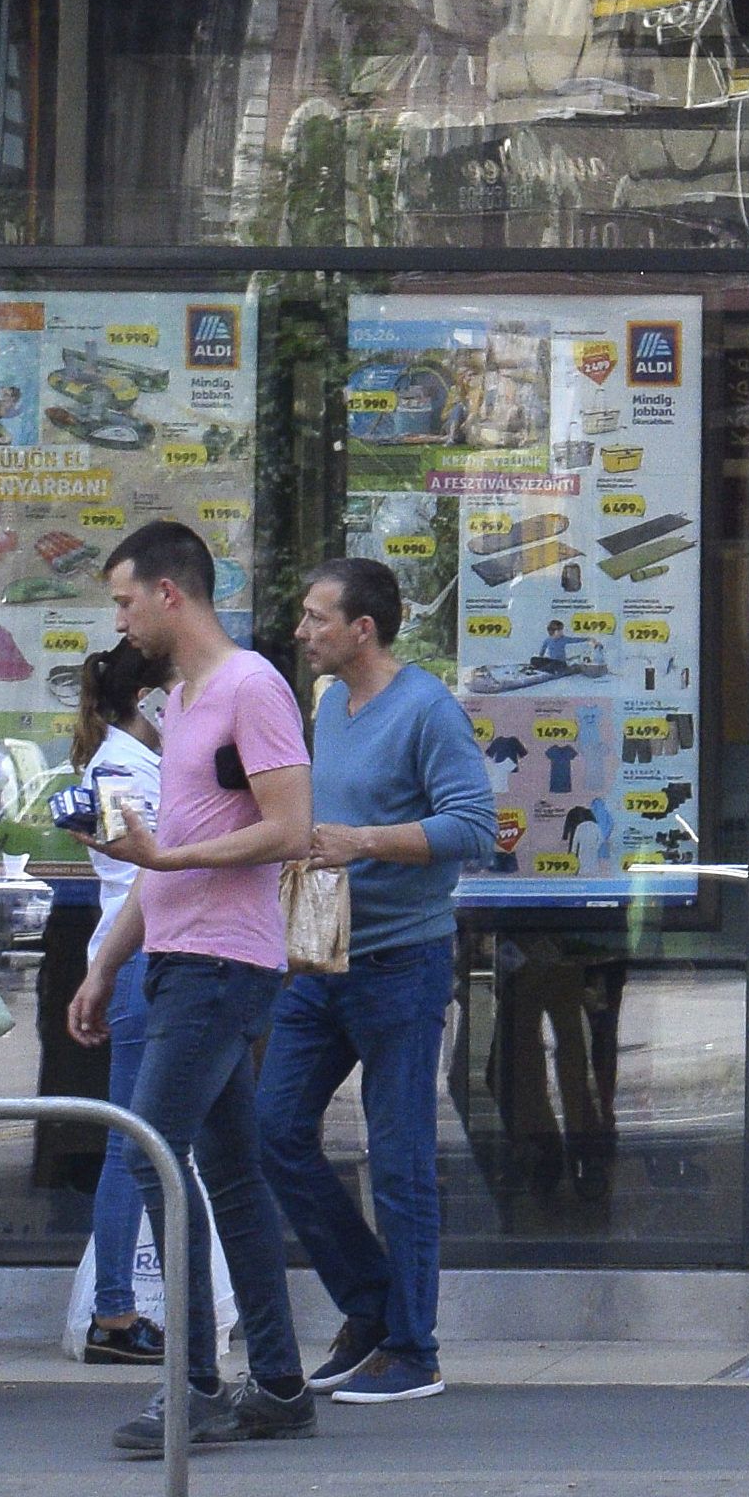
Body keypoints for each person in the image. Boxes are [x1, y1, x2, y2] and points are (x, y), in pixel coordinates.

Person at [69, 519, 316, 1453]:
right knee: (232, 1174)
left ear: (170, 592)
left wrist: (167, 854)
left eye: (126, 599)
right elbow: (161, 861)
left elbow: (291, 827)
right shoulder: (185, 699)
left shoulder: (251, 687)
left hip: (222, 962)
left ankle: (197, 1383)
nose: (120, 620)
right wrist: (105, 962)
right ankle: (281, 1385)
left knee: (149, 1153)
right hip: (183, 958)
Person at [262, 557, 495, 1404]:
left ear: (364, 629)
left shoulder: (427, 709)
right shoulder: (329, 705)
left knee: (396, 1160)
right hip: (323, 955)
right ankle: (369, 1306)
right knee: (274, 1129)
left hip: (403, 960)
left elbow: (473, 826)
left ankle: (413, 1349)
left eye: (318, 618)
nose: (302, 631)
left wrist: (364, 841)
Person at [53, 639, 168, 1365]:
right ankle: (116, 1313)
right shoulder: (126, 767)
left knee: (147, 1143)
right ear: (153, 699)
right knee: (134, 1146)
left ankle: (123, 1310)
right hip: (140, 961)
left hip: (142, 961)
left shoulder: (130, 761)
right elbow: (151, 868)